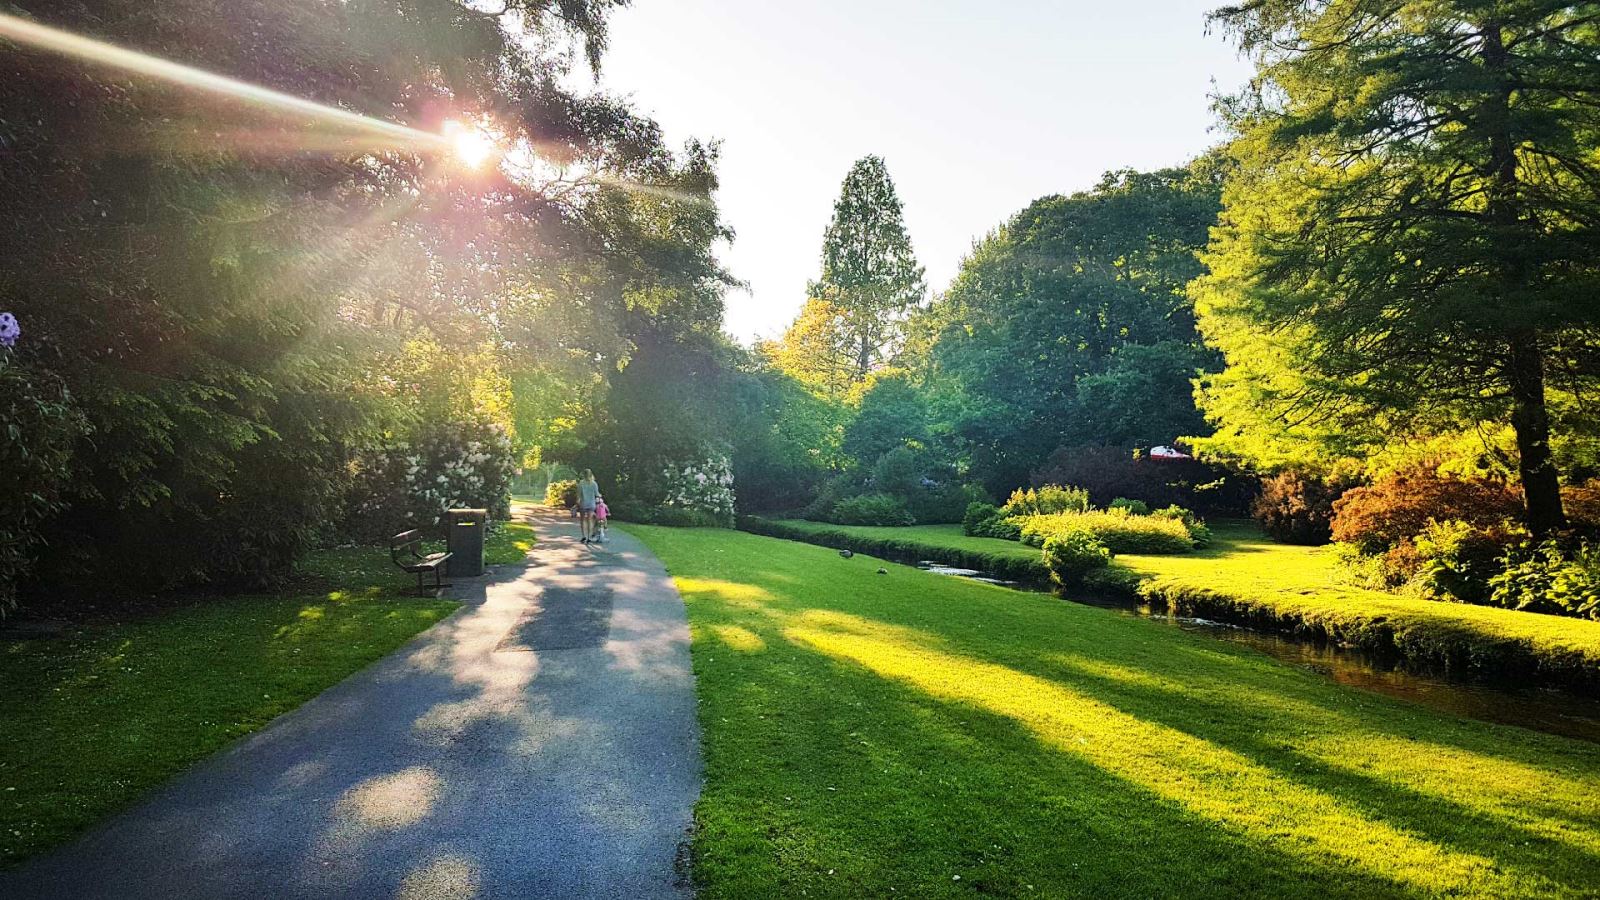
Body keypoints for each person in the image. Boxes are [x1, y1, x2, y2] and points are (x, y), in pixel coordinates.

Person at [576, 469, 601, 543]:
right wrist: (600, 496)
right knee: (590, 520)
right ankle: (589, 537)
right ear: (591, 474)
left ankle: (584, 536)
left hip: (583, 503)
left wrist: (577, 501)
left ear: (583, 475)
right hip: (591, 504)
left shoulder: (581, 483)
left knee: (582, 519)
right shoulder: (594, 483)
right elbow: (597, 494)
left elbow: (579, 495)